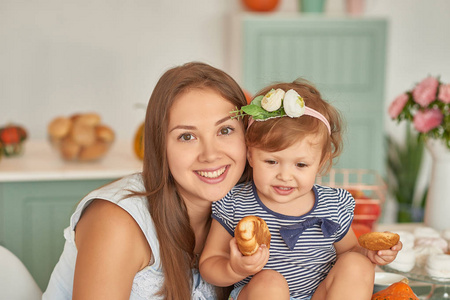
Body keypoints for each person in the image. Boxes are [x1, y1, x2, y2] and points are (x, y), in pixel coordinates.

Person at [42, 62, 250, 300]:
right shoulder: (117, 221)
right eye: (187, 136)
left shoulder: (249, 211)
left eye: (225, 130)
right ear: (160, 145)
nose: (211, 154)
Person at [199, 80, 402, 300]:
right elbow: (209, 263)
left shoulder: (331, 205)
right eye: (271, 161)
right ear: (250, 155)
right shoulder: (236, 203)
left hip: (319, 294)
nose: (285, 176)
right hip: (262, 295)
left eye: (301, 165)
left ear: (321, 162)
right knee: (270, 282)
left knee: (357, 264)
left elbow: (350, 252)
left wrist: (370, 253)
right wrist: (234, 268)